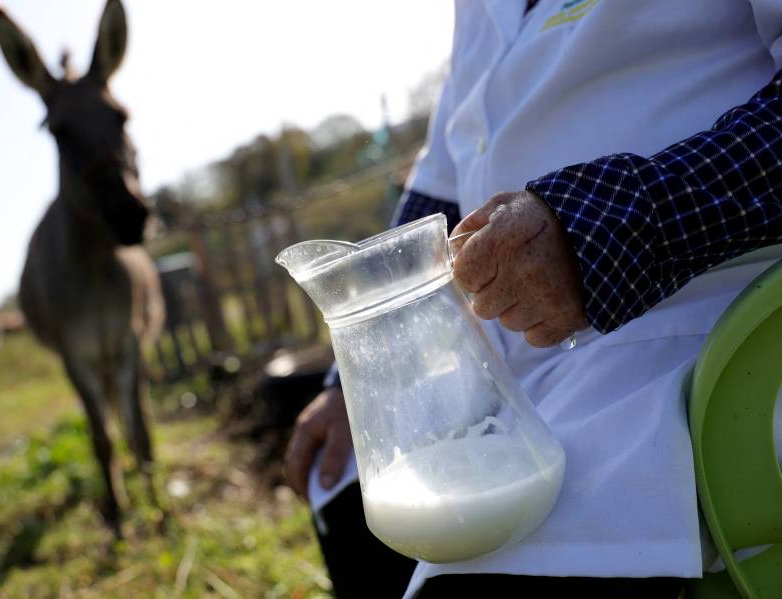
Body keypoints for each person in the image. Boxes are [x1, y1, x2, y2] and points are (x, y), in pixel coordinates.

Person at [285, 1, 782, 597]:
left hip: (703, 341)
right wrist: (351, 378)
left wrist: (617, 227)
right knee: (340, 497)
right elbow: (440, 185)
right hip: (513, 373)